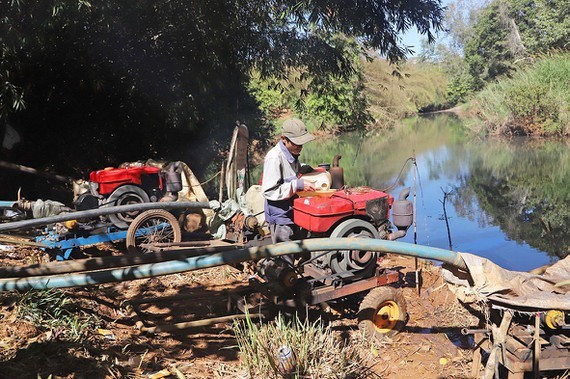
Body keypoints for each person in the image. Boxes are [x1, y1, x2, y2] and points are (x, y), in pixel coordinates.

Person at [261, 118, 316, 249]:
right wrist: (298, 185)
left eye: (302, 143)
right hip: (280, 215)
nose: (300, 146)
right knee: (284, 254)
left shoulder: (291, 153)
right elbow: (269, 191)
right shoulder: (274, 157)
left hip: (293, 210)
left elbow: (289, 173)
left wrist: (304, 168)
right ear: (284, 139)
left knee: (297, 249)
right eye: (296, 143)